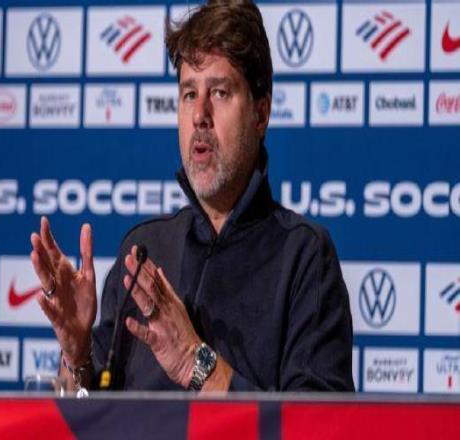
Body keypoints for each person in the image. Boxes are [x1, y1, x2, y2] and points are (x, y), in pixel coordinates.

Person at [30, 0, 354, 393]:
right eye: (188, 94)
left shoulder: (304, 257)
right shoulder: (143, 250)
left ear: (261, 113)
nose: (200, 114)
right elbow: (90, 413)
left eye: (219, 92)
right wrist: (77, 353)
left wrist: (195, 363)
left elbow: (318, 423)